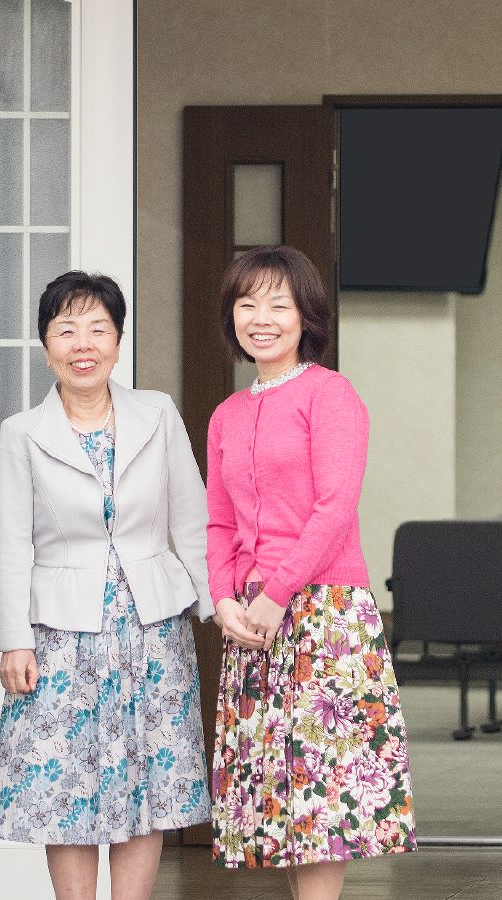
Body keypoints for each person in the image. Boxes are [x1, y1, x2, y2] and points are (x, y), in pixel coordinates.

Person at [0, 271, 214, 899]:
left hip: (152, 629)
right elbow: (10, 544)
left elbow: (192, 520)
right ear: (45, 343)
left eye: (97, 329)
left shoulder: (157, 412)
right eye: (65, 330)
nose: (83, 344)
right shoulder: (23, 432)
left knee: (149, 778)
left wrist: (216, 607)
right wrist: (15, 641)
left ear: (117, 339)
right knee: (67, 785)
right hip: (60, 635)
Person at [206, 246, 416, 899]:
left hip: (323, 615)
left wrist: (276, 592)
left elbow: (334, 508)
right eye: (246, 303)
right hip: (252, 623)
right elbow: (218, 522)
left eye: (277, 303)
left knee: (321, 789)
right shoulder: (226, 414)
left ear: (306, 317)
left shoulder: (331, 394)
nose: (260, 317)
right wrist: (223, 597)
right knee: (279, 788)